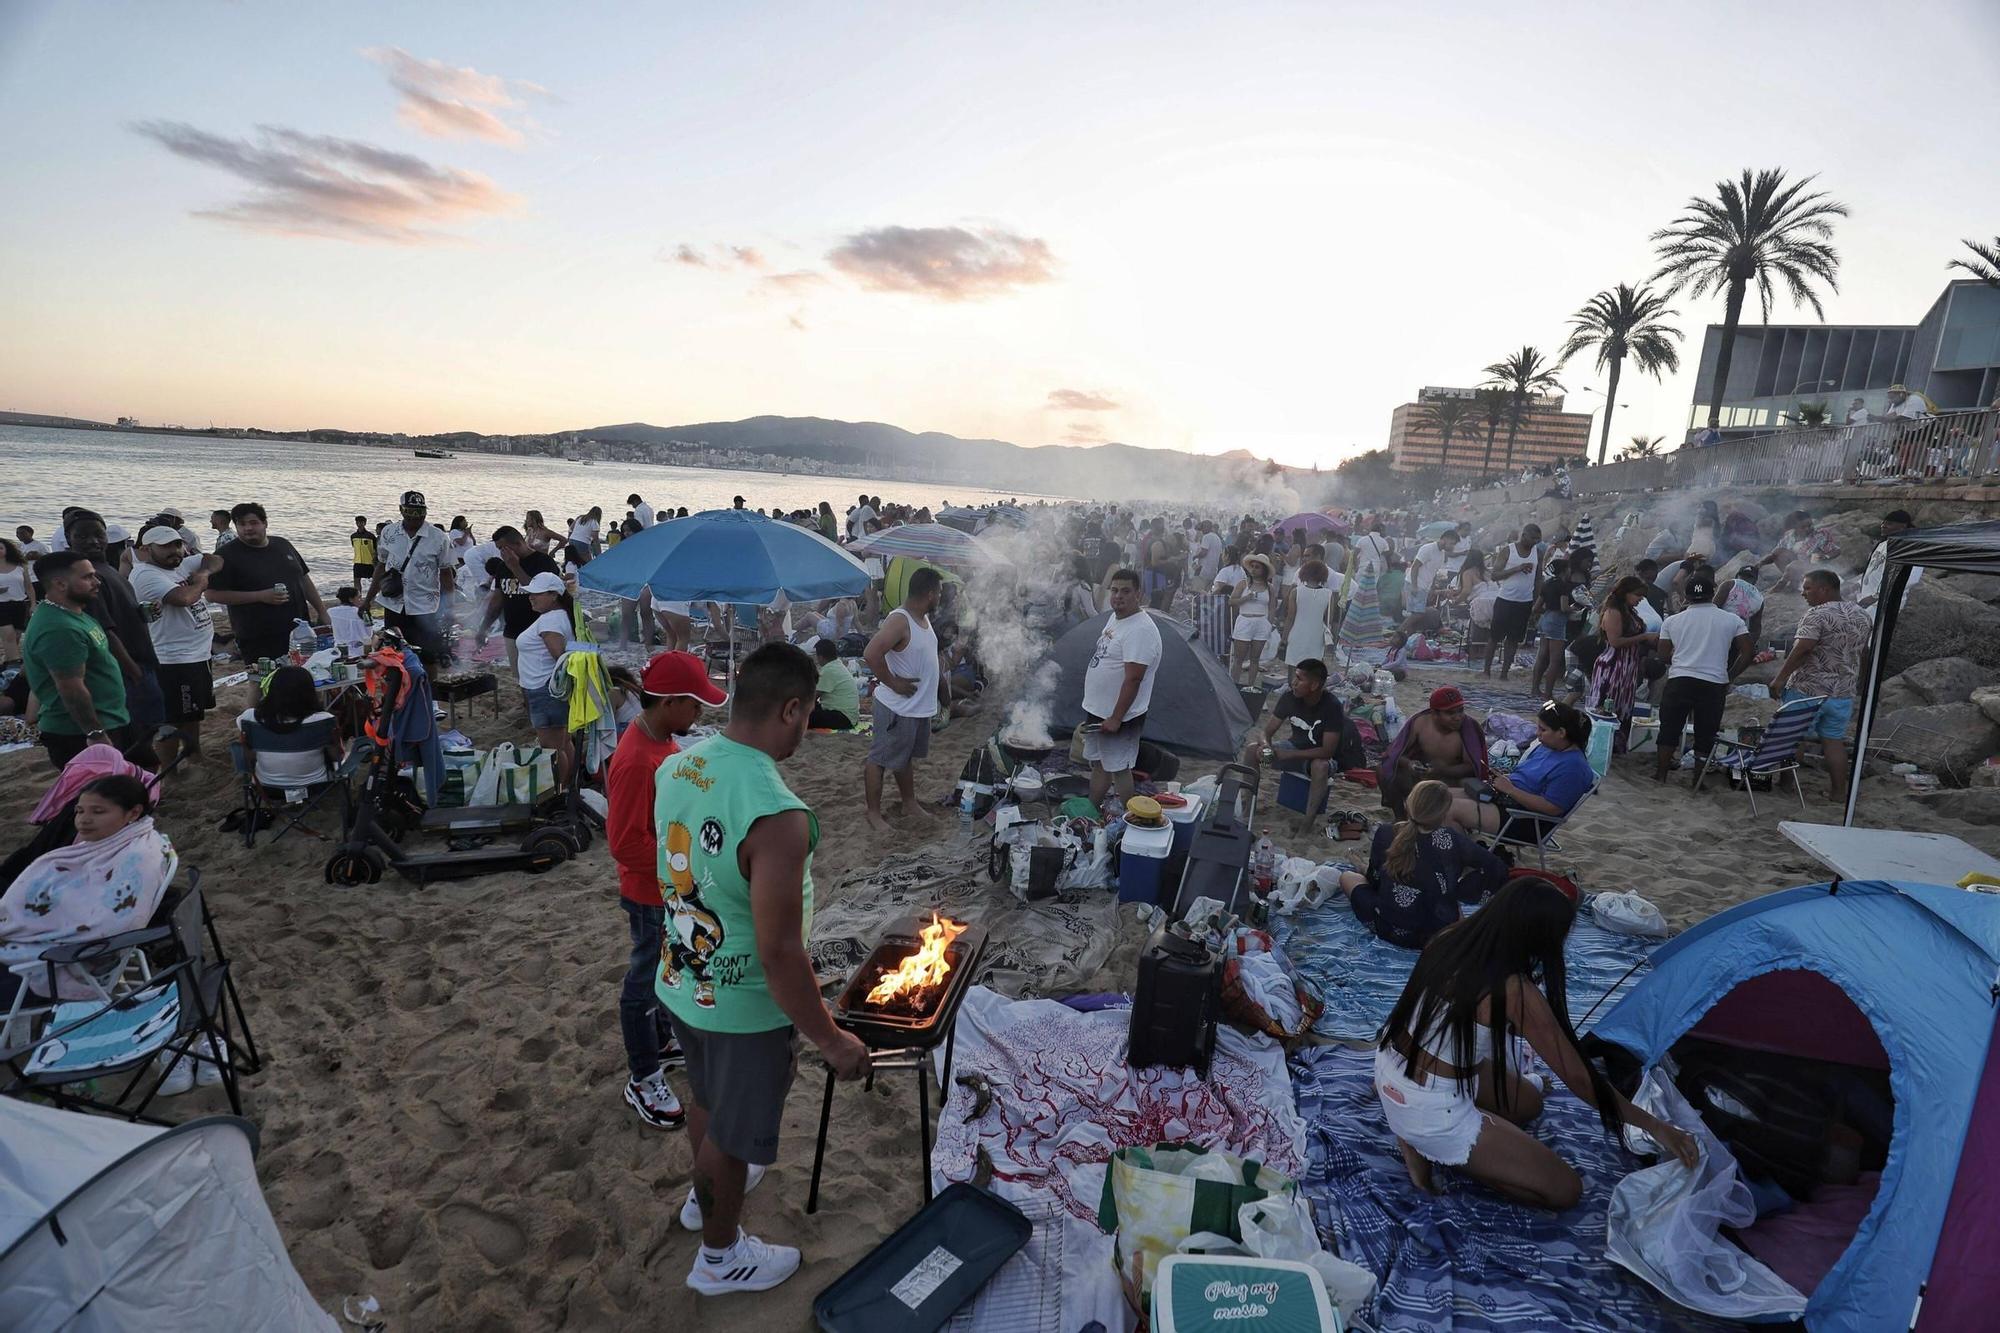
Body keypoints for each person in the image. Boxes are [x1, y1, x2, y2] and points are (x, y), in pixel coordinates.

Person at [654, 643, 871, 1295]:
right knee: (733, 1128)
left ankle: (704, 1198)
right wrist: (832, 1039)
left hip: (684, 978)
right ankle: (720, 1257)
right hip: (745, 1006)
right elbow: (779, 951)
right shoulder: (777, 814)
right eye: (808, 717)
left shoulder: (681, 764)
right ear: (792, 708)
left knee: (705, 1100)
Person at [1374, 877, 1697, 1203]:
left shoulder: (1451, 937)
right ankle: (1428, 1147)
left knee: (1530, 1103)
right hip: (1428, 1108)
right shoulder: (1514, 990)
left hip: (1391, 1065)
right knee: (1565, 1190)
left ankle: (1424, 1134)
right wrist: (1656, 1126)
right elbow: (1579, 1079)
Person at [607, 651, 727, 1131]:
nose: (699, 716)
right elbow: (622, 843)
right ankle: (643, 1075)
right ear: (671, 702)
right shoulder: (636, 760)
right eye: (695, 707)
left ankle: (659, 1039)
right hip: (649, 892)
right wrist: (681, 863)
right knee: (642, 981)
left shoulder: (664, 746)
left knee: (667, 967)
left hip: (670, 890)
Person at [0, 773, 172, 1010]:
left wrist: (31, 929)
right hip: (46, 937)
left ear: (133, 813)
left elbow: (109, 923)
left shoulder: (138, 858)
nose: (84, 820)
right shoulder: (114, 844)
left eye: (98, 812)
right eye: (80, 811)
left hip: (70, 959)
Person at [1333, 780, 1507, 948]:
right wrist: (1459, 891)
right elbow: (1496, 869)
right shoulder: (1452, 840)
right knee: (1447, 903)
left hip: (1388, 927)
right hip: (1435, 933)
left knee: (1347, 877)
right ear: (1444, 812)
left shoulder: (1387, 832)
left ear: (1409, 805)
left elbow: (1375, 880)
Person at [62, 512, 162, 768]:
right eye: (82, 536)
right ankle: (135, 791)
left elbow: (118, 614)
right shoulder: (89, 578)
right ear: (68, 539)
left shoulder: (109, 570)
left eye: (98, 534)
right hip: (125, 670)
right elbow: (104, 632)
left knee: (149, 729)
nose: (93, 541)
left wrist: (141, 612)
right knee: (134, 740)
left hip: (142, 661)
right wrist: (133, 670)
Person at [22, 553, 138, 768]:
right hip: (78, 731)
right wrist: (94, 733)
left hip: (108, 718)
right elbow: (71, 688)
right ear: (60, 584)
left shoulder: (73, 613)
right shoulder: (59, 629)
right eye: (88, 577)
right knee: (98, 795)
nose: (97, 582)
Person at [1768, 569, 1873, 802]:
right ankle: (1838, 793)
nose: (1803, 593)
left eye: (1807, 588)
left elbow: (1804, 648)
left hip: (1808, 689)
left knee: (1793, 737)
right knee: (1833, 741)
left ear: (1824, 589)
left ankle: (1786, 786)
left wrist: (1780, 678)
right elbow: (1863, 652)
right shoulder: (1862, 615)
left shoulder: (1817, 614)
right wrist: (1862, 681)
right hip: (1842, 692)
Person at [129, 526, 221, 774]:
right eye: (166, 546)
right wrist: (202, 581)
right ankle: (168, 770)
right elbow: (184, 598)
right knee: (171, 718)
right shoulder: (145, 575)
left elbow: (215, 558)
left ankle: (193, 755)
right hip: (173, 659)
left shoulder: (179, 564)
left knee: (192, 712)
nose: (175, 551)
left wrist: (202, 569)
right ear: (146, 550)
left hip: (196, 654)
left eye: (178, 544)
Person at [862, 566, 941, 832]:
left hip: (916, 708)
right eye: (939, 592)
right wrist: (893, 682)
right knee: (880, 759)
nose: (941, 597)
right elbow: (871, 653)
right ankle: (873, 813)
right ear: (930, 594)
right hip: (896, 707)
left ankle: (909, 802)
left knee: (903, 755)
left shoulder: (922, 618)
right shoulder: (900, 620)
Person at [1653, 572, 1751, 782]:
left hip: (1680, 679)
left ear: (1686, 597)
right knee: (1706, 733)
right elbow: (1748, 651)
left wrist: (1682, 660)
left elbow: (1662, 655)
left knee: (1669, 728)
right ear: (1712, 593)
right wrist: (1730, 675)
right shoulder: (1732, 620)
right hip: (1714, 682)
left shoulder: (1672, 621)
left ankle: (1660, 775)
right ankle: (1698, 781)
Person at [1447, 701, 1595, 838]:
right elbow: (1525, 776)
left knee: (1445, 810)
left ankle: (1469, 856)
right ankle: (1463, 850)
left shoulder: (1574, 767)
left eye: (1542, 729)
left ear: (1561, 733)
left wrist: (1511, 790)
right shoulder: (1549, 747)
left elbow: (1552, 808)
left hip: (1523, 819)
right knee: (1437, 795)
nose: (1537, 733)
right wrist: (1504, 778)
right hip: (1506, 800)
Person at [1080, 569, 1163, 804]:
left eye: (1126, 591)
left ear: (1138, 593)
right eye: (1114, 590)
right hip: (1099, 710)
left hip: (1121, 715)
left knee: (1119, 767)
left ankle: (1129, 818)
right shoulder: (1117, 616)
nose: (1118, 596)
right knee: (1100, 764)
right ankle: (1093, 811)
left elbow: (1134, 678)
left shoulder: (1141, 630)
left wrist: (1116, 718)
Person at [206, 502, 327, 663]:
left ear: (265, 523)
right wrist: (260, 596)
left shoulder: (283, 544)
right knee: (262, 682)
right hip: (257, 635)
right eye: (241, 524)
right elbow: (211, 594)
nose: (248, 528)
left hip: (299, 629)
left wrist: (322, 611)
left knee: (306, 675)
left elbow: (304, 579)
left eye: (253, 523)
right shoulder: (226, 555)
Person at [1240, 658, 1344, 831]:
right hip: (1292, 751)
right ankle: (1248, 809)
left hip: (1315, 759)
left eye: (1299, 679)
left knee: (1321, 766)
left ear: (1314, 685)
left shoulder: (1332, 706)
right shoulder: (1289, 697)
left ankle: (1307, 823)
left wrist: (1289, 755)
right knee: (1252, 750)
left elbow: (1327, 751)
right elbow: (1265, 732)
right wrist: (1266, 746)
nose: (1293, 683)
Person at [364, 491, 454, 668]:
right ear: (401, 510)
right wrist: (368, 599)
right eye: (411, 512)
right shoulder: (389, 533)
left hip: (426, 607)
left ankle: (426, 692)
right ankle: (399, 692)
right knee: (394, 655)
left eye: (420, 512)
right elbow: (381, 566)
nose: (416, 517)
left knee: (428, 657)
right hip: (394, 605)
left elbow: (446, 574)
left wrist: (449, 607)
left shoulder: (439, 538)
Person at [1377, 685, 1487, 818]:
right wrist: (1410, 764)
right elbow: (1395, 753)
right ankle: (1400, 817)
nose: (1458, 717)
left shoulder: (1468, 728)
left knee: (1471, 786)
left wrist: (1442, 770)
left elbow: (1473, 768)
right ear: (1434, 714)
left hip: (1449, 782)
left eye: (1460, 710)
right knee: (1383, 769)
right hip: (1420, 778)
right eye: (1450, 713)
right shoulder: (1420, 723)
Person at [514, 571, 578, 789]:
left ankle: (561, 789)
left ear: (553, 595)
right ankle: (570, 785)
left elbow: (559, 657)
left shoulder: (550, 620)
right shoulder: (559, 615)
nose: (531, 597)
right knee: (563, 742)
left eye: (536, 594)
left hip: (544, 689)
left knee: (552, 748)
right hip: (549, 689)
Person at [1584, 577, 1658, 754]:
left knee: (1623, 708)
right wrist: (1644, 638)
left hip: (1627, 668)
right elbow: (1615, 641)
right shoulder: (1613, 612)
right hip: (1613, 667)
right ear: (1625, 592)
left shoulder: (1630, 611)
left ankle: (1615, 747)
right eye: (1638, 595)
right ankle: (1601, 747)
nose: (1640, 599)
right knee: (1607, 708)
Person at [476, 526, 563, 672]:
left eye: (504, 548)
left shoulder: (543, 562)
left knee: (543, 677)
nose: (502, 553)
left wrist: (515, 567)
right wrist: (483, 628)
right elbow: (497, 600)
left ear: (518, 543)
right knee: (521, 679)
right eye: (499, 549)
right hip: (512, 632)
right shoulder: (503, 567)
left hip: (541, 632)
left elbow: (540, 592)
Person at [234, 665, 337, 786]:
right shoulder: (323, 720)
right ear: (309, 692)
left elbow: (247, 755)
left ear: (272, 690)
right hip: (315, 786)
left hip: (266, 787)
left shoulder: (249, 718)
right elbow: (336, 757)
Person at [1485, 525, 1542, 680]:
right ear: (1523, 535)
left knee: (1513, 640)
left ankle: (1504, 673)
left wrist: (1536, 601)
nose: (1535, 542)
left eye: (1538, 539)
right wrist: (1517, 568)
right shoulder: (1508, 550)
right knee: (1495, 637)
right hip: (1505, 600)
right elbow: (1495, 575)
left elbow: (1538, 578)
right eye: (1533, 538)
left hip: (1524, 602)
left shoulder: (1538, 552)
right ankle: (1486, 671)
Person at [1858, 509, 1921, 615]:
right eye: (1883, 522)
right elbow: (1871, 569)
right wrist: (1857, 585)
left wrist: (1876, 597)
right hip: (1867, 601)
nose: (1883, 526)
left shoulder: (1910, 547)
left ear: (1903, 526)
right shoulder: (1883, 544)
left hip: (1885, 604)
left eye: (1889, 524)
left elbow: (1909, 578)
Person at [1228, 553, 1277, 687]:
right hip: (1245, 619)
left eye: (1257, 567)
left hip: (1261, 622)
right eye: (1252, 567)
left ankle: (1251, 686)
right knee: (1239, 658)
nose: (1254, 570)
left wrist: (1269, 623)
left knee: (1255, 658)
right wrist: (1246, 598)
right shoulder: (1243, 584)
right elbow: (1231, 601)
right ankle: (1234, 685)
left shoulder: (1270, 588)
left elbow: (1272, 607)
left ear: (1264, 570)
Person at [1528, 556, 1573, 701]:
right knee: (1554, 660)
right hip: (1557, 622)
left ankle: (1535, 689)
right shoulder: (1563, 586)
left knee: (1541, 656)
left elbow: (1536, 608)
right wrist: (1574, 609)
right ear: (1565, 570)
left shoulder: (1547, 584)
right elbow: (1564, 607)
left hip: (1545, 619)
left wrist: (1549, 610)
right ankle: (1548, 693)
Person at [1282, 559, 1334, 667]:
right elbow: (1329, 619)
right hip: (1317, 635)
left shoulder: (1296, 592)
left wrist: (1284, 638)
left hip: (1297, 632)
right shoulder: (1329, 595)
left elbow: (1290, 617)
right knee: (1312, 667)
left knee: (1294, 664)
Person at [809, 638, 860, 729]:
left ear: (820, 656)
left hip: (842, 717)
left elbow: (812, 697)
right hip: (848, 716)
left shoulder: (829, 670)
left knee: (803, 716)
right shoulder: (837, 665)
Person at [1407, 531, 1458, 616]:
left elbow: (1434, 573)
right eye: (1452, 543)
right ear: (1444, 539)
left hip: (1424, 587)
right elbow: (1415, 567)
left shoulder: (1442, 554)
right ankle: (1401, 629)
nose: (1453, 547)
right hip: (1415, 584)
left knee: (1417, 614)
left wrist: (1432, 589)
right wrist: (1414, 586)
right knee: (1418, 614)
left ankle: (1406, 629)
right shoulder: (1428, 548)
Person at [0, 536, 34, 665]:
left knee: (17, 635)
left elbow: (29, 586)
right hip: (1, 605)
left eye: (1, 548)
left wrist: (32, 604)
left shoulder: (20, 565)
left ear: (7, 549)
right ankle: (14, 663)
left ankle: (8, 660)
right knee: (8, 635)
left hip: (19, 604)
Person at [350, 516, 376, 588]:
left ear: (365, 523)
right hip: (358, 561)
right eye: (358, 522)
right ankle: (358, 597)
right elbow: (354, 547)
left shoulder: (370, 536)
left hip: (369, 562)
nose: (359, 524)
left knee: (375, 580)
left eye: (361, 522)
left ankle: (374, 597)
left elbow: (375, 548)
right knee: (356, 580)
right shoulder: (353, 536)